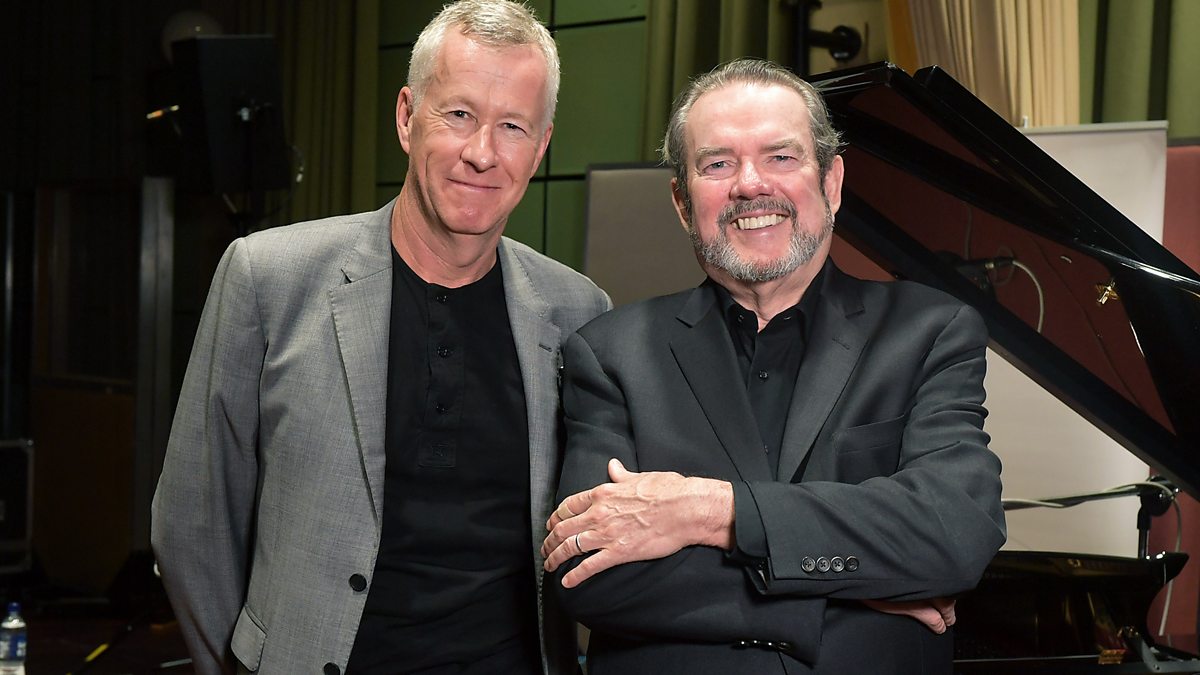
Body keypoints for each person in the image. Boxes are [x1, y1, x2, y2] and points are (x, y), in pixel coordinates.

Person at [150, 1, 610, 673]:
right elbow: (192, 519)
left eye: (512, 126)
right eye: (459, 114)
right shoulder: (268, 278)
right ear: (406, 116)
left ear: (540, 148)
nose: (482, 153)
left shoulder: (578, 310)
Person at [540, 58, 1006, 674]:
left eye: (781, 157)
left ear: (832, 182)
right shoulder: (609, 352)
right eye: (717, 164)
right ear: (682, 202)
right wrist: (843, 588)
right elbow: (587, 570)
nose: (751, 185)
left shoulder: (929, 331)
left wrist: (715, 511)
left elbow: (955, 532)